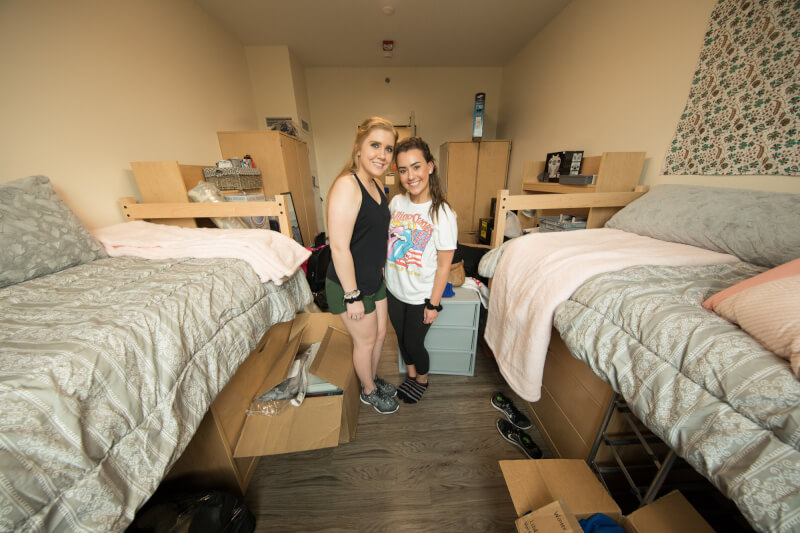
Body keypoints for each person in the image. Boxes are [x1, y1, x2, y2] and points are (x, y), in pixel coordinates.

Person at [326, 117, 399, 414]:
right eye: (375, 145)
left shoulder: (378, 186)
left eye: (389, 149)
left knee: (380, 336)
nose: (382, 154)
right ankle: (368, 391)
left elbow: (372, 237)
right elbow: (339, 247)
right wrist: (352, 295)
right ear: (358, 148)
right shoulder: (348, 185)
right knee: (365, 342)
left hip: (373, 279)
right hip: (349, 285)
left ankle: (372, 377)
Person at [385, 137, 458, 403]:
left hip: (420, 296)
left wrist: (433, 304)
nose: (410, 176)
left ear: (430, 167)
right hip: (394, 289)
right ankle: (412, 377)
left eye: (416, 167)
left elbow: (444, 266)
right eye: (403, 170)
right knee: (402, 341)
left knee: (415, 344)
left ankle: (423, 380)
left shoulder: (442, 213)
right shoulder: (396, 204)